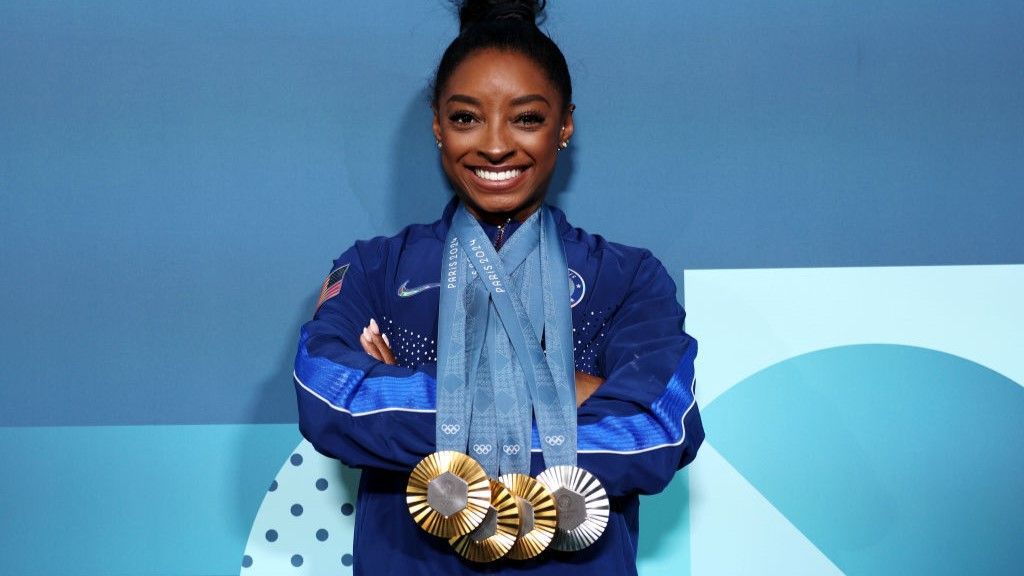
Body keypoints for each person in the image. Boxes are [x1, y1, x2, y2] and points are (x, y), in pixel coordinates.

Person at [293, 1, 703, 574]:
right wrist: (571, 391)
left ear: (564, 126)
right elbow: (327, 399)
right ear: (437, 125)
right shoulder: (375, 269)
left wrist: (409, 392)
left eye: (527, 118)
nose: (493, 145)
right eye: (466, 118)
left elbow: (656, 433)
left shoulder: (627, 277)